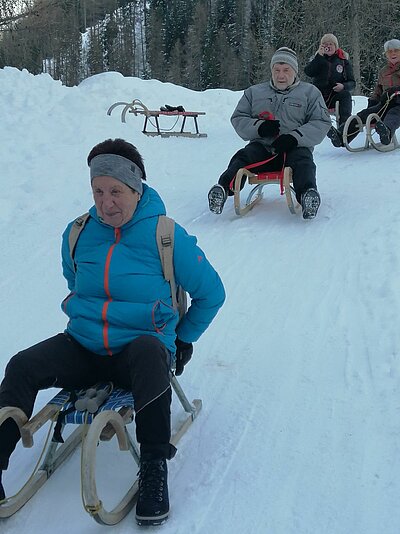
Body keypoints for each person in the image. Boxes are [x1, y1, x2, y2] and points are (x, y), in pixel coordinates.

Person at [0, 138, 225, 526]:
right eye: (98, 191)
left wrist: (183, 339)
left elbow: (212, 293)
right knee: (22, 365)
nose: (107, 203)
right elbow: (76, 283)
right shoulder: (78, 233)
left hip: (137, 355)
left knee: (150, 353)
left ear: (137, 189)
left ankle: (154, 467)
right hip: (83, 347)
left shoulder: (165, 235)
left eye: (116, 191)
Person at [207, 47, 332, 220]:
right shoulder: (254, 92)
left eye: (286, 70)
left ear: (294, 72)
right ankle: (222, 189)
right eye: (277, 70)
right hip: (263, 148)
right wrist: (259, 127)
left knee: (304, 163)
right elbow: (238, 118)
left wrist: (295, 138)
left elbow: (321, 122)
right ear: (271, 70)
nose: (281, 75)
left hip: (294, 149)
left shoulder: (310, 93)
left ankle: (307, 196)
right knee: (242, 157)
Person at [329, 39, 400, 147]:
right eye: (390, 51)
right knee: (363, 114)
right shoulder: (384, 71)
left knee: (394, 114)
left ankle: (387, 132)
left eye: (396, 50)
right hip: (385, 103)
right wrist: (372, 103)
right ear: (386, 55)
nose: (393, 53)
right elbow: (378, 90)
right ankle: (340, 136)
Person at [304, 33, 355, 144]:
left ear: (335, 46)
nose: (328, 46)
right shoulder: (317, 59)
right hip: (318, 96)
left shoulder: (343, 61)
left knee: (346, 95)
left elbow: (352, 83)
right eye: (325, 44)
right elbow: (308, 72)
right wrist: (319, 57)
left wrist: (343, 86)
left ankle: (343, 129)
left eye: (331, 44)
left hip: (334, 95)